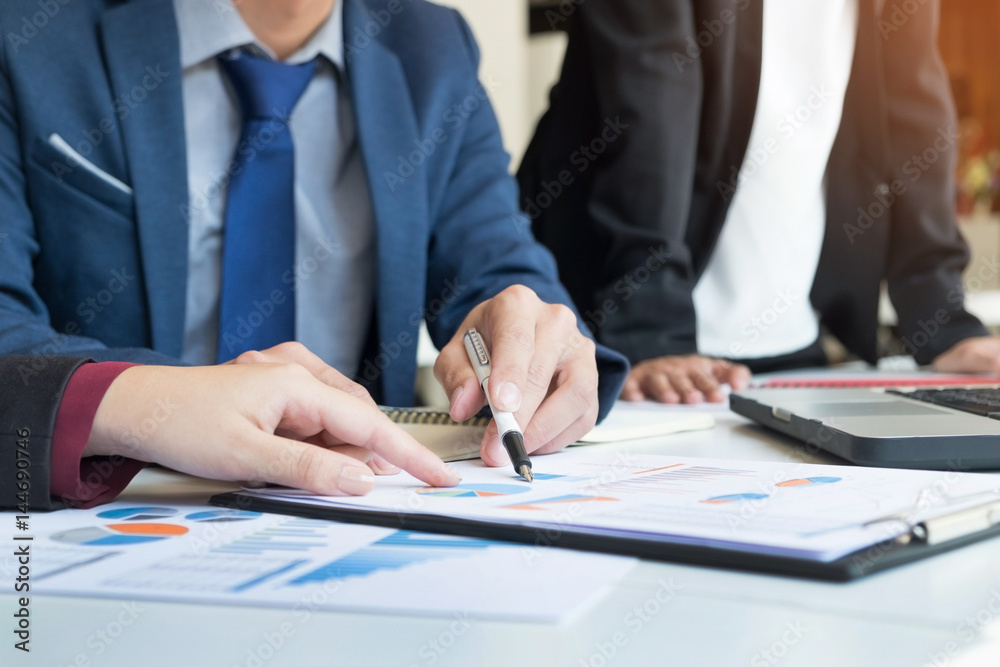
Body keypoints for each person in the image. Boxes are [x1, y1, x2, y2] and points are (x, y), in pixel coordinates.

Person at [0, 0, 628, 464]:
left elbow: (493, 267)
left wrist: (536, 338)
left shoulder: (433, 48)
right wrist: (144, 402)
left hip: (352, 514)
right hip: (105, 510)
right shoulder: (28, 34)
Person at [519, 0, 998, 404]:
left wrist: (942, 321)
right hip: (616, 323)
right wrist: (651, 331)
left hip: (787, 334)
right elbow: (647, 108)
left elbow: (913, 100)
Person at [0, 347, 463, 511]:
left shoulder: (438, 122)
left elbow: (491, 260)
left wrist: (523, 337)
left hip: (345, 449)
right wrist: (148, 396)